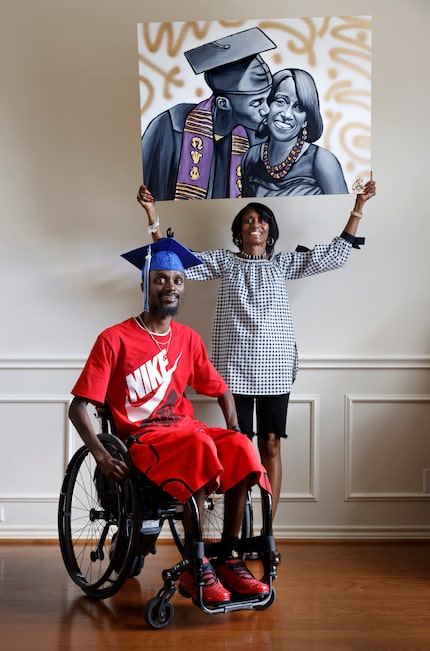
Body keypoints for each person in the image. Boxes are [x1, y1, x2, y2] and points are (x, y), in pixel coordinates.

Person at [137, 176, 376, 539]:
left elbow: (333, 254)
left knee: (270, 443)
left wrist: (358, 206)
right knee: (239, 446)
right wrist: (153, 216)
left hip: (276, 369)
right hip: (234, 369)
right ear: (238, 231)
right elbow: (177, 264)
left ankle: (266, 531)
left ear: (270, 231)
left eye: (261, 220)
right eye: (248, 220)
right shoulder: (225, 263)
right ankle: (236, 528)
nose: (255, 225)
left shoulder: (283, 264)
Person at [69, 237, 271, 606]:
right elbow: (78, 408)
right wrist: (100, 454)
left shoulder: (188, 338)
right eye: (161, 279)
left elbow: (222, 390)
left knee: (240, 446)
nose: (171, 287)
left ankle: (227, 557)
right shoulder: (113, 339)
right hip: (142, 441)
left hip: (187, 433)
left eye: (177, 280)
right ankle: (196, 567)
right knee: (198, 445)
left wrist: (234, 427)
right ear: (145, 284)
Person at [141, 27, 276, 201]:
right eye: (256, 103)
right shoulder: (169, 127)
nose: (266, 110)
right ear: (223, 104)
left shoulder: (257, 139)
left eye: (267, 99)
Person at [241, 68, 348, 196]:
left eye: (299, 107)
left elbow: (342, 209)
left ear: (306, 120)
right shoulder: (250, 156)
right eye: (280, 101)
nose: (287, 114)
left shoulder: (322, 160)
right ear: (267, 105)